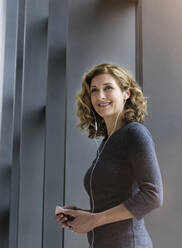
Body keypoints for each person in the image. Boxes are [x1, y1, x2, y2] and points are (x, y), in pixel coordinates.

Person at [55, 63, 163, 248]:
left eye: (108, 88)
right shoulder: (107, 143)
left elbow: (153, 195)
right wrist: (84, 215)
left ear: (126, 93)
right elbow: (114, 204)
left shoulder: (135, 133)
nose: (100, 96)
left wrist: (95, 219)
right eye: (94, 91)